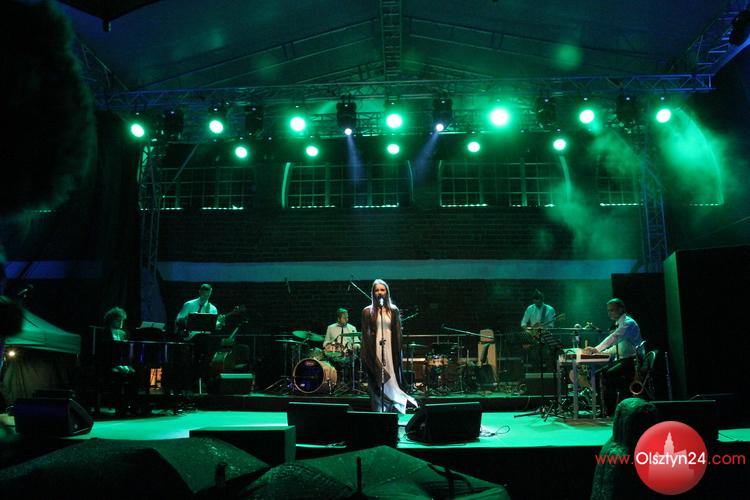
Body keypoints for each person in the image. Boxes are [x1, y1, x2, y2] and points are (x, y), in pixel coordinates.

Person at [360, 279, 418, 413]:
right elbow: (365, 335)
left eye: (382, 290)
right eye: (377, 290)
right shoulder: (367, 311)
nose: (380, 292)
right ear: (373, 293)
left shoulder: (393, 310)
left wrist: (398, 352)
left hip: (390, 348)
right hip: (375, 347)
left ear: (387, 292)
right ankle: (380, 402)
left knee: (391, 375)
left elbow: (397, 333)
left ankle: (392, 400)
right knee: (378, 375)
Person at [584, 298, 643, 413]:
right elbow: (617, 347)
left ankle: (610, 408)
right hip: (624, 360)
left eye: (612, 310)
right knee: (598, 374)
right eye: (608, 310)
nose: (609, 313)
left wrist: (596, 349)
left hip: (633, 361)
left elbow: (613, 337)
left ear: (620, 309)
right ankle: (605, 407)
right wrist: (599, 353)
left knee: (608, 374)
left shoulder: (628, 323)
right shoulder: (619, 323)